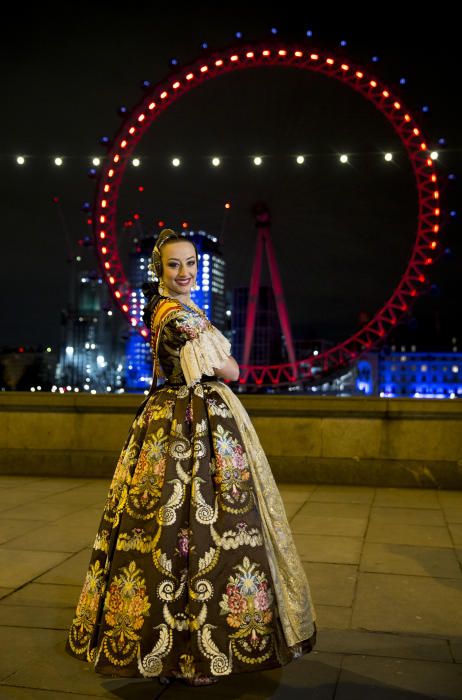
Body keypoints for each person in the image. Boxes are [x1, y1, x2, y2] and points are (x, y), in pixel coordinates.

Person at [64, 228, 317, 687]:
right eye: (175, 264)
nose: (185, 273)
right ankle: (190, 650)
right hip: (189, 428)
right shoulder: (178, 315)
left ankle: (179, 646)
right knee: (197, 533)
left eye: (191, 264)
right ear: (159, 270)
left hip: (174, 419)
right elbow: (232, 369)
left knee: (171, 535)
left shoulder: (173, 309)